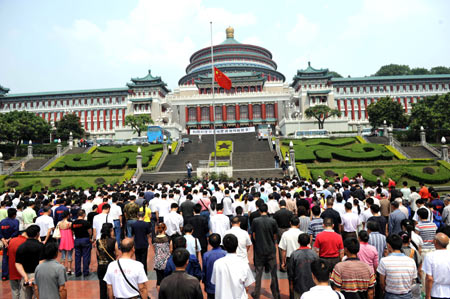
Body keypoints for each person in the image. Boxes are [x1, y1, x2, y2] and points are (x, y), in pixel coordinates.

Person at [211, 234, 255, 299]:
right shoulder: (243, 263)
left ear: (224, 246)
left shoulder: (217, 263)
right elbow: (247, 285)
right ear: (237, 245)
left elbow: (214, 281)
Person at [251, 203, 280, 299]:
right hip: (271, 249)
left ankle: (257, 293)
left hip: (259, 250)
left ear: (259, 211)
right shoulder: (272, 221)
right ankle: (276, 294)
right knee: (273, 273)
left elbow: (253, 235)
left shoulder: (255, 221)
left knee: (258, 273)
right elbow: (275, 235)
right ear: (267, 210)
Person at [378, 234, 417, 299]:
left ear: (389, 246)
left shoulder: (384, 261)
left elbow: (382, 283)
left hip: (390, 295)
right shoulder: (411, 261)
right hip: (407, 295)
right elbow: (412, 280)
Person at [15, 225, 44, 299]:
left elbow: (18, 263)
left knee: (25, 296)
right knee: (38, 295)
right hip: (38, 275)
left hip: (25, 276)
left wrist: (24, 275)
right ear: (38, 234)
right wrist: (35, 276)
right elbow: (42, 262)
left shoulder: (21, 246)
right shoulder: (41, 246)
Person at [288, 233, 318, 299]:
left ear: (298, 241)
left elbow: (291, 272)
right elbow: (317, 270)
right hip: (312, 285)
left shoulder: (294, 254)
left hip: (298, 285)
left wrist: (291, 284)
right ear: (309, 241)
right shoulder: (314, 254)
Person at [423, 233, 450, 299]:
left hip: (436, 292)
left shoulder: (430, 256)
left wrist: (427, 295)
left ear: (435, 242)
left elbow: (429, 278)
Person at [96, 223, 119, 299]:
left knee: (102, 285)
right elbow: (117, 253)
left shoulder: (98, 241)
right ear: (110, 231)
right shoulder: (113, 241)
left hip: (101, 266)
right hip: (110, 266)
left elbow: (97, 253)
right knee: (111, 285)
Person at [202, 233, 227, 298]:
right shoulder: (225, 254)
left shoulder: (206, 255)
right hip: (223, 286)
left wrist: (204, 282)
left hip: (210, 286)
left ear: (209, 243)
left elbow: (204, 271)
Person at [71, 209, 92, 277]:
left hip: (77, 240)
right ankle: (85, 272)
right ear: (83, 214)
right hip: (85, 239)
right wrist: (90, 237)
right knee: (86, 256)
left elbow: (72, 232)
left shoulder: (73, 223)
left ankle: (78, 272)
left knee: (77, 257)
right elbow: (90, 231)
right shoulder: (86, 222)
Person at [7, 230, 28, 299]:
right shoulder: (26, 242)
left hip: (12, 270)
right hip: (23, 271)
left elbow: (8, 255)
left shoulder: (12, 241)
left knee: (14, 291)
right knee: (23, 291)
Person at [0, 207, 19, 280]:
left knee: (5, 258)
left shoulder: (2, 221)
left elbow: (0, 232)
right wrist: (9, 239)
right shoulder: (16, 221)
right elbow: (16, 232)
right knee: (14, 257)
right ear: (14, 215)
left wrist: (4, 240)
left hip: (5, 242)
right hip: (13, 242)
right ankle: (14, 274)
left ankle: (4, 275)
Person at [153, 222, 171, 290]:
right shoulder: (168, 238)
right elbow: (171, 249)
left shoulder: (154, 239)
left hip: (158, 261)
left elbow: (155, 250)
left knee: (159, 281)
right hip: (167, 261)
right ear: (165, 229)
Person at [58, 210, 74, 275]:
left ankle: (63, 269)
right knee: (70, 254)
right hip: (69, 239)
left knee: (63, 255)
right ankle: (69, 269)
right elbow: (72, 232)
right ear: (68, 215)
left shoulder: (59, 223)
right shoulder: (70, 223)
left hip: (62, 239)